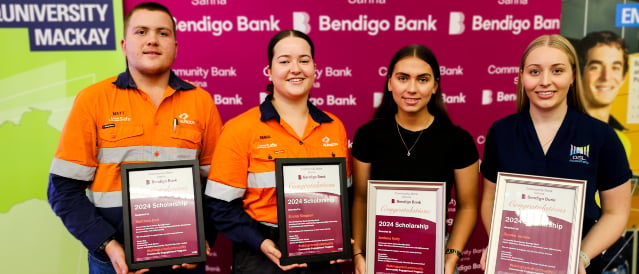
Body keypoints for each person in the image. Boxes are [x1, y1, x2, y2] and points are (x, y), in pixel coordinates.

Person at [47, 2, 223, 274]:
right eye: (141, 32)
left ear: (176, 46)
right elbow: (62, 189)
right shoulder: (93, 100)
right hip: (115, 263)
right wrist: (107, 243)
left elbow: (219, 184)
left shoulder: (201, 102)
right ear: (123, 44)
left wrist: (205, 237)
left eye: (163, 33)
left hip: (185, 261)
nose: (152, 39)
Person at [479, 34, 632, 274]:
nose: (545, 81)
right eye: (534, 71)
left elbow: (616, 212)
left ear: (573, 76)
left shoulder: (601, 136)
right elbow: (489, 200)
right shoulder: (502, 132)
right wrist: (500, 243)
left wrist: (580, 257)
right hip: (519, 265)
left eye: (557, 71)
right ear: (521, 76)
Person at [203, 29, 352, 274]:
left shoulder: (334, 127)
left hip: (322, 252)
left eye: (304, 60)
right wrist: (260, 242)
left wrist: (341, 238)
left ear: (315, 68)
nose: (295, 68)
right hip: (261, 252)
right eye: (284, 61)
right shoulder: (240, 129)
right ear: (269, 72)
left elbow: (345, 196)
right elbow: (220, 206)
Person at [350, 44, 480, 274]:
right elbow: (360, 199)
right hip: (380, 255)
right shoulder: (368, 135)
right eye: (403, 78)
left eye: (422, 79)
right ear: (390, 83)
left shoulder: (458, 140)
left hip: (436, 258)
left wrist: (450, 259)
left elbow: (468, 206)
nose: (412, 88)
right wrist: (359, 254)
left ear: (434, 86)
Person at [577, 30, 632, 158]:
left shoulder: (622, 141)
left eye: (615, 68)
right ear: (579, 74)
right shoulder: (556, 132)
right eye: (595, 67)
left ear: (623, 77)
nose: (606, 77)